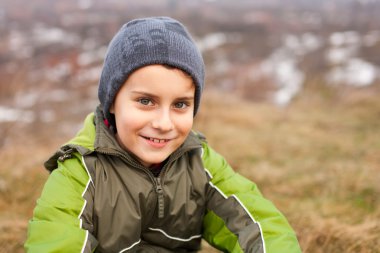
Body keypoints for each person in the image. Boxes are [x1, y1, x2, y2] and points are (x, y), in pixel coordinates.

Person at [25, 17, 301, 253]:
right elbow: (56, 239)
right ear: (111, 101)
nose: (163, 123)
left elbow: (258, 222)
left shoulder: (200, 163)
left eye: (180, 105)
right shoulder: (80, 172)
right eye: (146, 101)